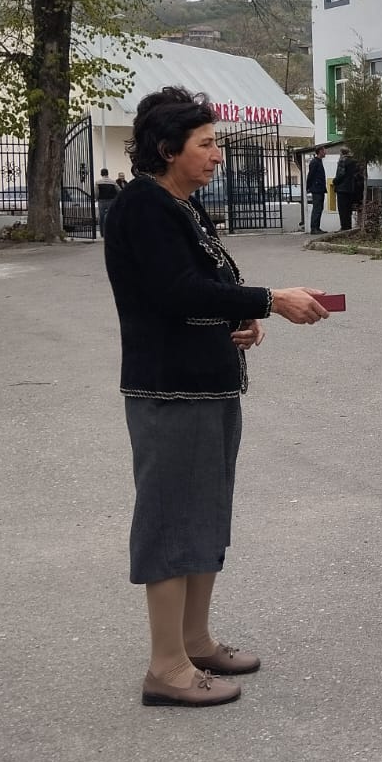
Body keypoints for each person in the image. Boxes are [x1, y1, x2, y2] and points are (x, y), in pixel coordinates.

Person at [103, 87, 330, 707]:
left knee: (203, 513)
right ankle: (166, 667)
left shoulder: (184, 205)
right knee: (170, 520)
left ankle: (196, 641)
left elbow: (205, 289)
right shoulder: (143, 206)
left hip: (208, 384)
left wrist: (241, 318)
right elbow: (175, 292)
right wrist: (269, 300)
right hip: (169, 390)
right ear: (167, 149)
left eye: (217, 142)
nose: (218, 154)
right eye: (206, 144)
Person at [333, 147, 363, 232]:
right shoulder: (355, 162)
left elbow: (340, 174)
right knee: (348, 209)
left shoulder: (342, 161)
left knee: (342, 210)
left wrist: (335, 181)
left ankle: (344, 227)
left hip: (342, 189)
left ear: (341, 153)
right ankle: (348, 227)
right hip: (351, 189)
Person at [305, 146, 327, 234]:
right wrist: (308, 187)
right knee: (317, 208)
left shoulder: (319, 161)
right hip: (316, 189)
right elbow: (310, 175)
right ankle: (314, 228)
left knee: (319, 208)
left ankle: (317, 227)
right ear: (320, 151)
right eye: (324, 151)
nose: (325, 152)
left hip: (320, 188)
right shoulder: (315, 162)